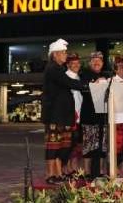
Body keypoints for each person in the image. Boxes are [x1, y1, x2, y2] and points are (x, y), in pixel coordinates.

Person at [41, 38, 85, 185]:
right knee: (53, 146)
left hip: (62, 116)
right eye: (64, 53)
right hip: (55, 116)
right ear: (55, 55)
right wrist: (87, 85)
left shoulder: (58, 69)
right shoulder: (53, 68)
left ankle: (58, 173)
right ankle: (50, 174)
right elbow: (69, 83)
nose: (66, 55)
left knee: (62, 146)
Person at [79, 51, 109, 180]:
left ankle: (101, 170)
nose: (97, 63)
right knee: (88, 145)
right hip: (88, 115)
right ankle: (86, 171)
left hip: (102, 116)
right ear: (90, 62)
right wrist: (96, 82)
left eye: (99, 61)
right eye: (94, 61)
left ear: (102, 63)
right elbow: (83, 88)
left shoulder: (106, 75)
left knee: (102, 145)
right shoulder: (84, 74)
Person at [64, 53, 83, 178]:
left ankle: (74, 167)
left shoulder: (78, 78)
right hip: (69, 115)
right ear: (68, 64)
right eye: (73, 63)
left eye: (77, 63)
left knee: (76, 143)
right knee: (68, 143)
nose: (76, 65)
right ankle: (67, 168)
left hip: (79, 115)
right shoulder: (66, 77)